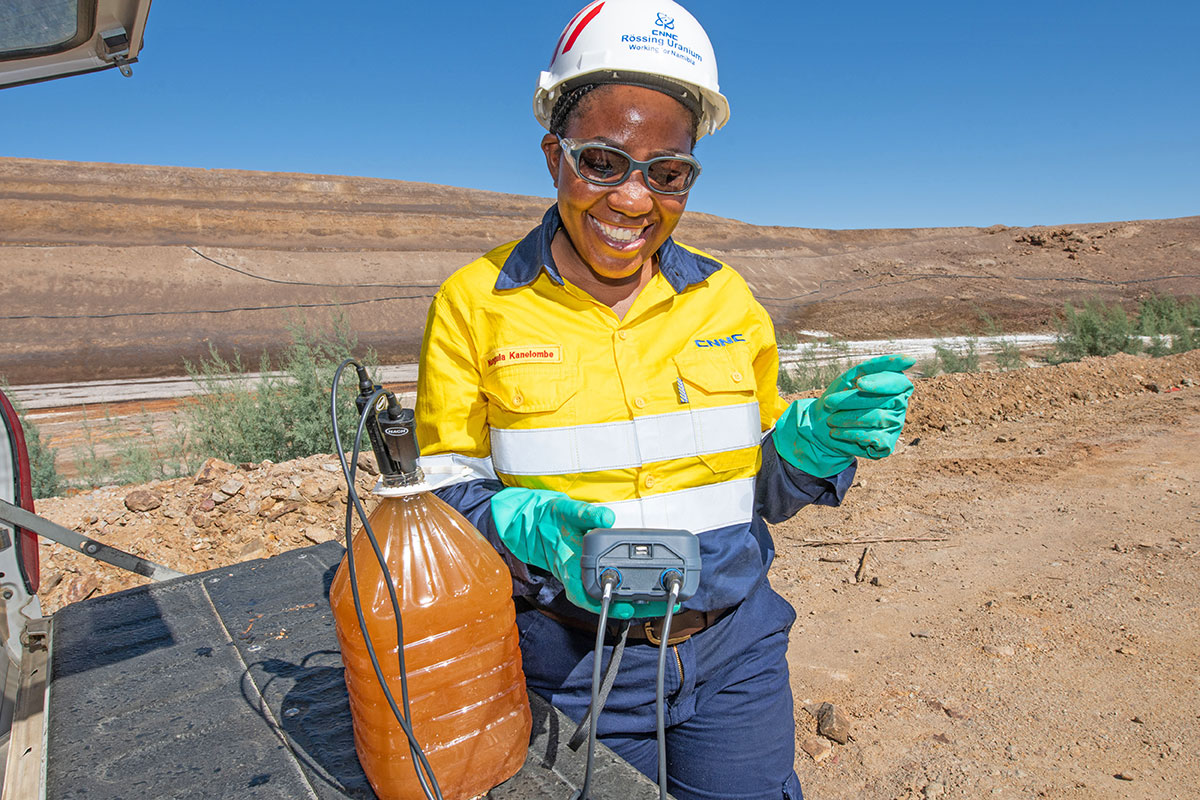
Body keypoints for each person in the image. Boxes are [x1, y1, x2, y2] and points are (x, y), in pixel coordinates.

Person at [415, 2, 914, 798]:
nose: (633, 200)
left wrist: (813, 443)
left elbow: (758, 486)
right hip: (573, 666)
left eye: (667, 173)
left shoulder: (726, 301)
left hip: (734, 652)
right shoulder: (476, 304)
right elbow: (440, 499)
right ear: (555, 157)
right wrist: (520, 527)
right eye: (603, 162)